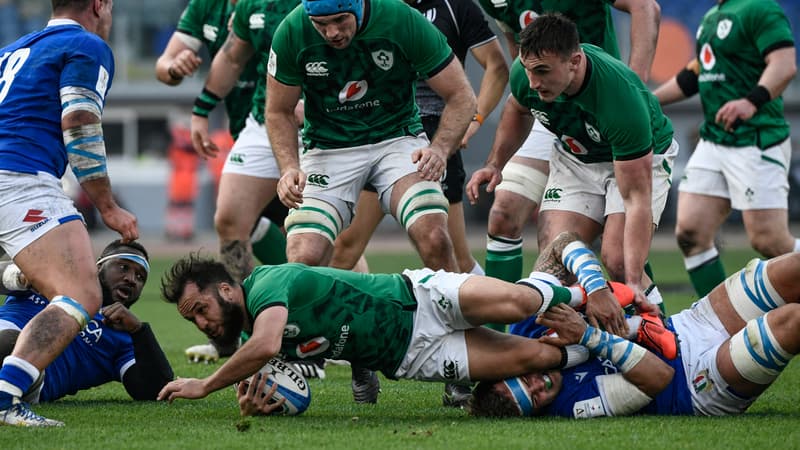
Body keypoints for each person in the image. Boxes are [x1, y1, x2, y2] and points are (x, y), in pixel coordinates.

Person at [265, 0, 477, 403]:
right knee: (301, 258)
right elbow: (276, 110)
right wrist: (289, 168)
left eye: (340, 21)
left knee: (435, 237)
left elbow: (462, 96)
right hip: (327, 150)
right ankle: (348, 350)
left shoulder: (400, 18)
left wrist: (439, 149)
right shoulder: (292, 30)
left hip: (396, 141)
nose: (331, 33)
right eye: (321, 24)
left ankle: (461, 362)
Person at [155, 248, 638, 412]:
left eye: (200, 309)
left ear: (224, 289)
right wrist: (259, 401)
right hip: (412, 358)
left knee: (516, 299)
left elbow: (264, 345)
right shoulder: (251, 338)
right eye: (193, 320)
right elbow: (273, 372)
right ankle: (605, 350)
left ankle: (594, 294)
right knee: (538, 357)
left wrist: (205, 386)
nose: (202, 323)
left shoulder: (265, 285)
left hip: (418, 296)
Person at [467, 14, 677, 337]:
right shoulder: (527, 75)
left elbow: (636, 200)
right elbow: (517, 109)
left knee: (618, 260)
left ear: (575, 61)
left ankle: (664, 336)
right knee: (557, 259)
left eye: (543, 72)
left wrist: (632, 280)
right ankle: (564, 351)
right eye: (528, 70)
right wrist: (495, 163)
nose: (534, 82)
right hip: (576, 156)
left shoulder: (618, 99)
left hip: (637, 157)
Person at [0, 0, 138, 427]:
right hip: (22, 178)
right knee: (81, 292)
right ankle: (6, 399)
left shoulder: (12, 50)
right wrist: (108, 207)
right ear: (100, 4)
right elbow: (79, 122)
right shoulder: (86, 44)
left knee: (29, 280)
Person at [471, 239, 800, 418]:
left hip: (688, 325)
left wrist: (596, 289)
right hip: (697, 382)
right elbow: (660, 376)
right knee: (791, 320)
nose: (540, 385)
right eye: (535, 399)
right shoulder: (572, 407)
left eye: (525, 381)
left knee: (793, 269)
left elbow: (559, 246)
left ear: (510, 365)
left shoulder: (526, 326)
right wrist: (588, 336)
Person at [155, 0, 291, 362]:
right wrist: (176, 70)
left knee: (328, 242)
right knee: (231, 220)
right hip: (255, 128)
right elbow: (165, 67)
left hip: (309, 122)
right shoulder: (206, 7)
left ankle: (333, 339)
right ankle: (247, 331)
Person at [653, 0, 798, 298]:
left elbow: (784, 64)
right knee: (691, 234)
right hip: (714, 140)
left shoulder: (760, 8)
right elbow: (695, 73)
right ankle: (719, 321)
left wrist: (751, 101)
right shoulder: (712, 16)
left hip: (756, 139)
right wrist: (648, 102)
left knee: (769, 241)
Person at [0, 240, 173, 404]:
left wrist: (139, 331)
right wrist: (21, 276)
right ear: (98, 267)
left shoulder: (123, 338)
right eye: (123, 267)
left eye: (140, 277)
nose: (131, 279)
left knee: (9, 341)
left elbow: (154, 390)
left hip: (29, 373)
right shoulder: (55, 278)